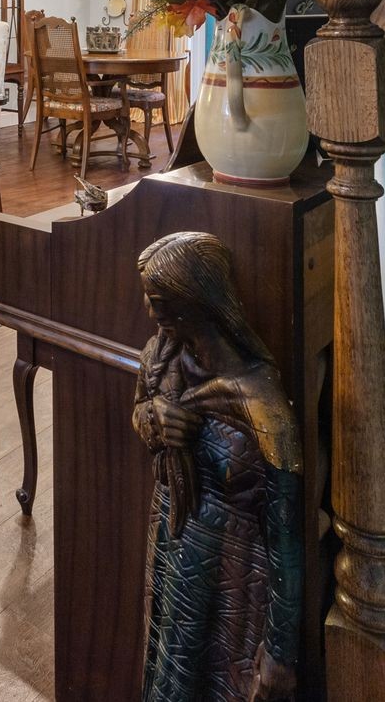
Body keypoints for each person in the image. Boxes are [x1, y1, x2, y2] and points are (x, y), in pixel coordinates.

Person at [133, 231, 302, 701]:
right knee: (164, 672)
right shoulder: (161, 358)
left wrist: (281, 649)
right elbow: (140, 409)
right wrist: (154, 419)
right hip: (170, 541)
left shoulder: (261, 403)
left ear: (196, 301)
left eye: (158, 301)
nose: (150, 311)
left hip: (232, 570)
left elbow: (285, 537)